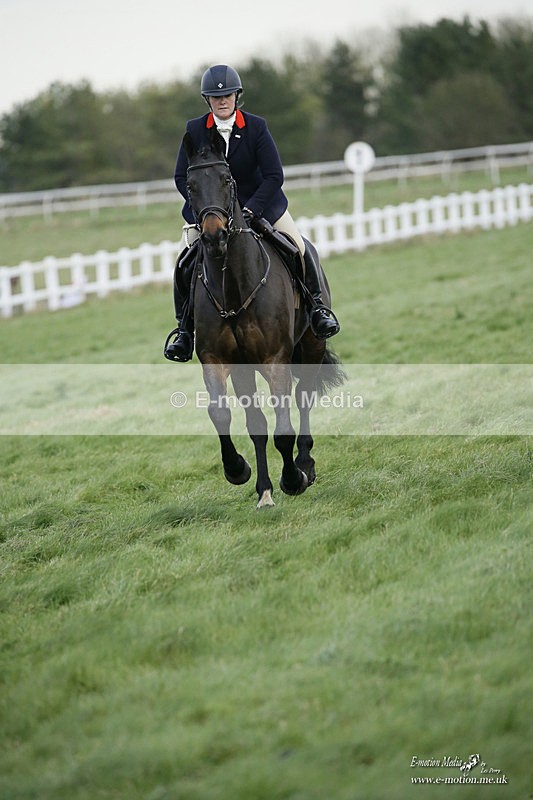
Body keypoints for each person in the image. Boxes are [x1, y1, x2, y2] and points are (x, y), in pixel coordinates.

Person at [164, 64, 340, 362]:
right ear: (207, 100)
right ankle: (184, 331)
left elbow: (274, 175)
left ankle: (318, 309)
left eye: (228, 96)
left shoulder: (256, 126)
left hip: (260, 204)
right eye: (215, 97)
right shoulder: (195, 129)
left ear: (237, 96)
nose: (222, 101)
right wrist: (204, 208)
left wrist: (250, 209)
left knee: (299, 247)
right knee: (183, 261)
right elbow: (182, 177)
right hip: (210, 211)